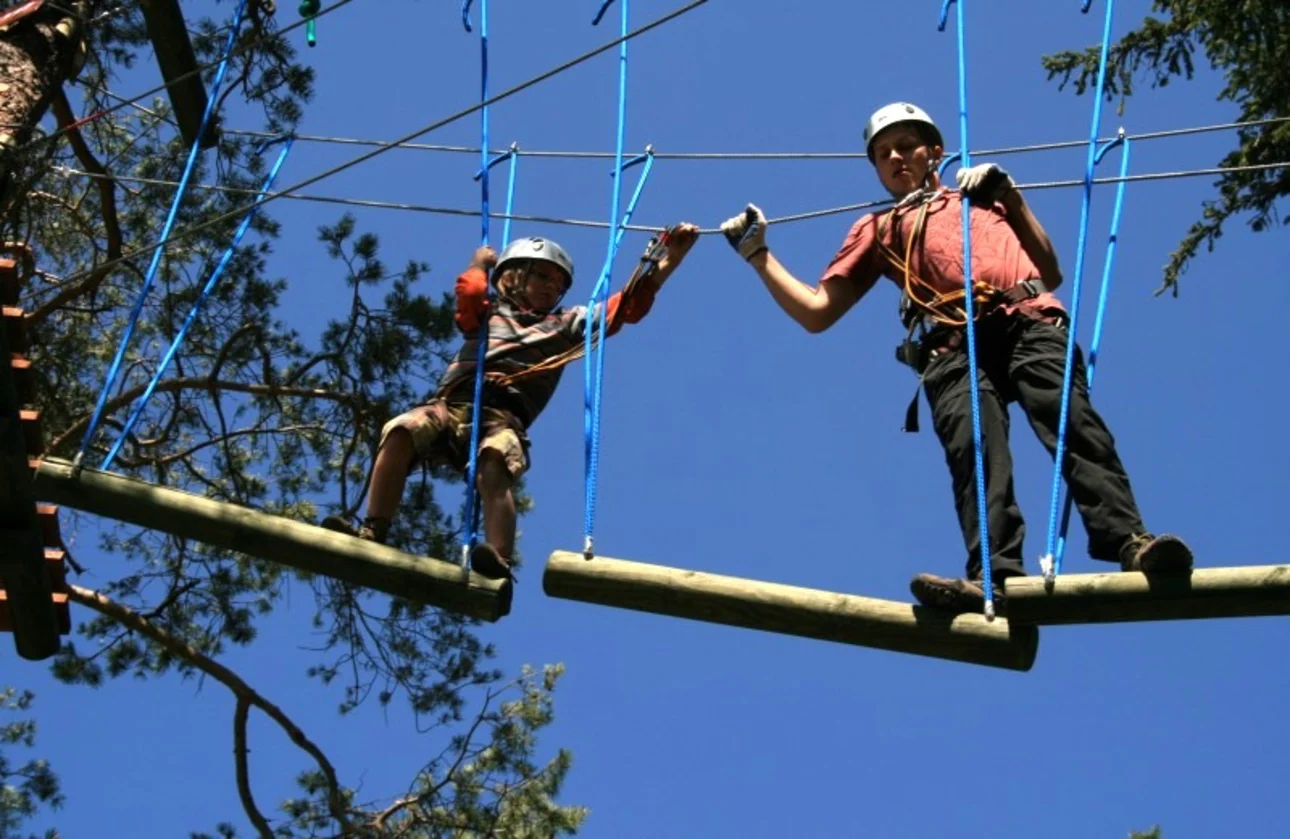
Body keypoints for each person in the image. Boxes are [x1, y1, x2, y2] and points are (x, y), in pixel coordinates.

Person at [718, 102, 1190, 615]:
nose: (895, 156)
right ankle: (993, 577)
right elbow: (817, 312)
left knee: (1072, 421)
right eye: (882, 153)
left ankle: (1131, 543)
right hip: (950, 345)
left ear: (934, 151)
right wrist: (756, 255)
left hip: (1025, 317)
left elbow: (1049, 271)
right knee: (975, 449)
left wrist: (1008, 194)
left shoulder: (982, 195)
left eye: (905, 145)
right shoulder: (877, 229)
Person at [324, 225, 699, 583]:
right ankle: (373, 528)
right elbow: (470, 293)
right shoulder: (487, 314)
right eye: (542, 277)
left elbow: (625, 308)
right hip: (452, 404)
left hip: (503, 417)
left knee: (496, 462)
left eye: (558, 285)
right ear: (512, 277)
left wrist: (670, 259)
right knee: (403, 430)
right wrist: (479, 264)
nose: (552, 289)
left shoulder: (566, 326)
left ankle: (497, 560)